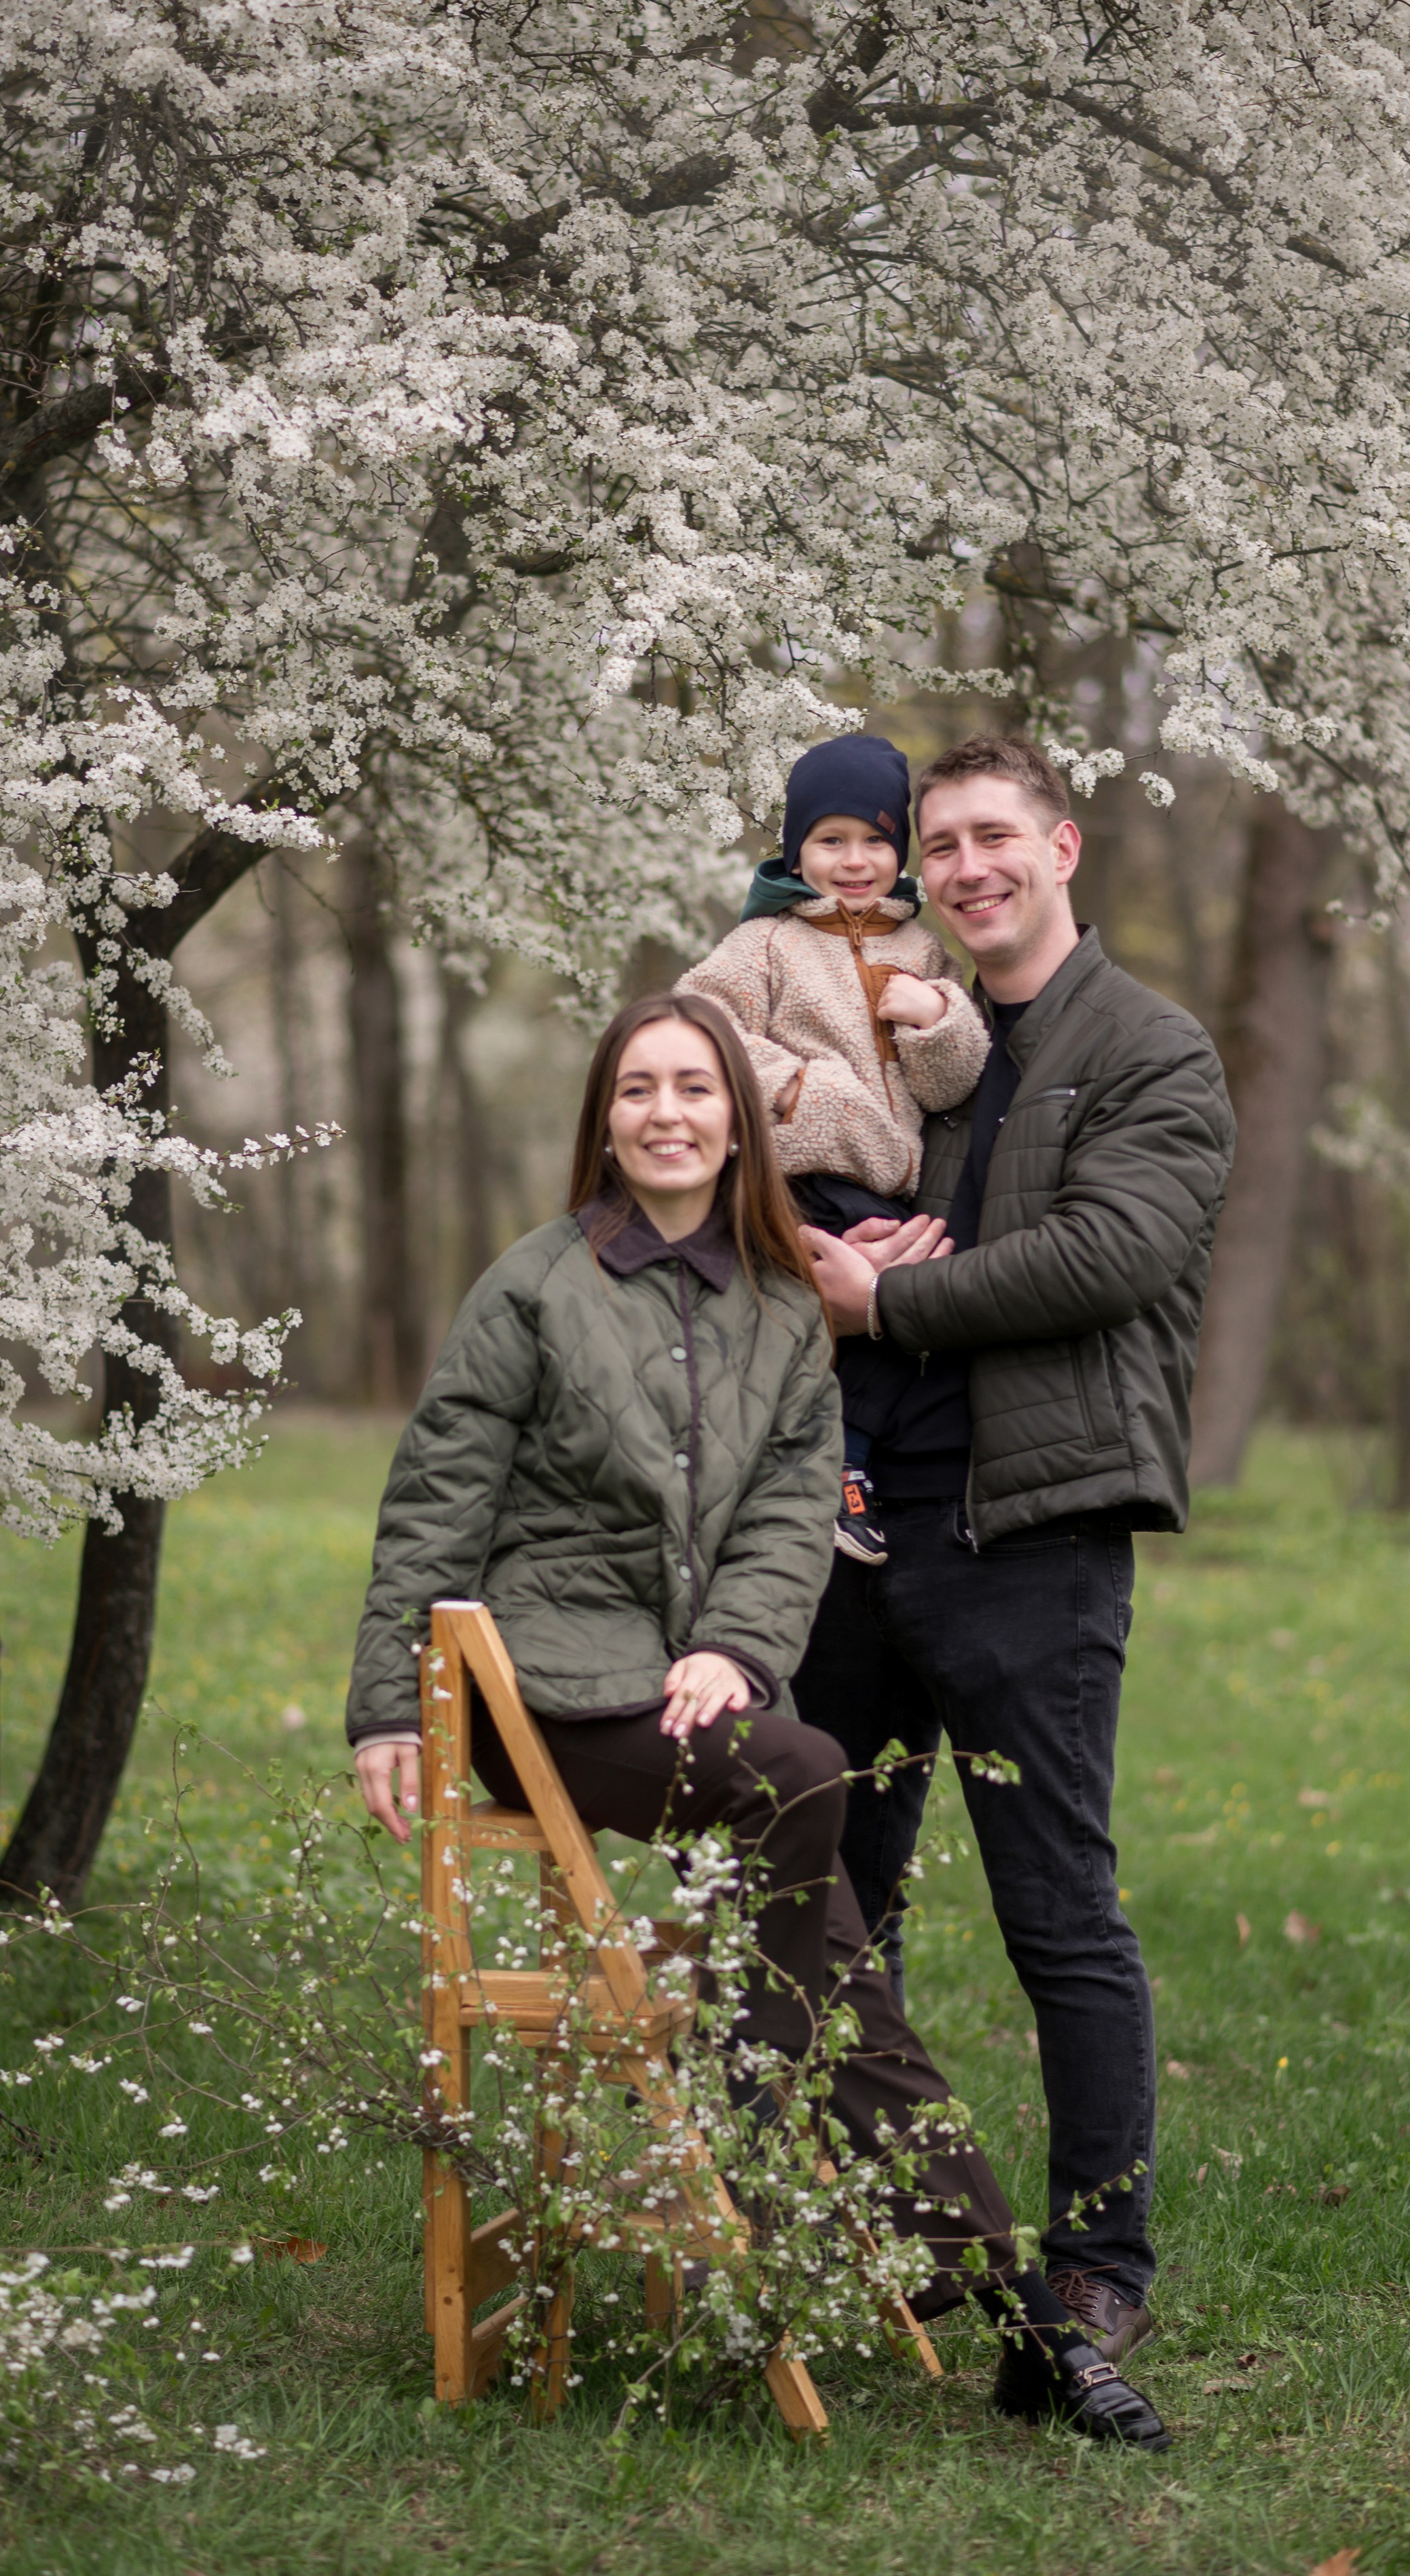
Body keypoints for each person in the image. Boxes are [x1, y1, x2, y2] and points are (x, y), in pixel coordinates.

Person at [348, 987, 1168, 2446]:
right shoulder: (531, 1284)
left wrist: (733, 1640)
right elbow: (433, 1503)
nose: (666, 1112)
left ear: (740, 1116)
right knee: (802, 1770)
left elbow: (793, 1517)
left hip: (692, 1685)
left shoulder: (786, 1305)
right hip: (539, 1682)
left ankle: (1019, 2311)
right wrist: (384, 1709)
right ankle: (804, 2094)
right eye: (637, 1089)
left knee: (817, 1909)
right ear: (603, 1117)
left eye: (694, 1088)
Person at [797, 734, 1237, 2368]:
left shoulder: (1144, 1045)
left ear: (1059, 845)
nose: (967, 866)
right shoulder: (900, 1021)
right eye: (940, 845)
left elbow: (1115, 1251)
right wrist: (831, 1252)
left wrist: (896, 1293)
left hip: (1025, 1529)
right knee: (839, 1891)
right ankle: (907, 2229)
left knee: (1054, 1903)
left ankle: (1097, 2255)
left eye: (995, 836)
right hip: (848, 1530)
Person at [680, 734, 989, 1565]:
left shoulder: (925, 951)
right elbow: (696, 1026)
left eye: (877, 841)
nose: (855, 862)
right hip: (800, 1175)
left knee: (893, 1324)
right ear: (796, 848)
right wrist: (798, 1089)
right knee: (813, 1326)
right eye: (831, 840)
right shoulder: (767, 944)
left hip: (888, 1186)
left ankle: (843, 1468)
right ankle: (821, 1472)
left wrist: (938, 1019)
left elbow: (953, 1083)